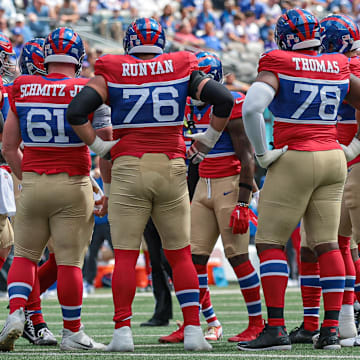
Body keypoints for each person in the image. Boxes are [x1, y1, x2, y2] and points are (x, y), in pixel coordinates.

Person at [66, 17, 234, 352]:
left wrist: (99, 147)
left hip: (128, 166)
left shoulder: (112, 68)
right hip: (171, 166)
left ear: (129, 43)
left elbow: (76, 113)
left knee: (127, 256)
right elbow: (224, 100)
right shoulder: (182, 65)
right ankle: (193, 333)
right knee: (181, 255)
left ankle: (123, 335)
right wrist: (208, 140)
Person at [239, 8, 360, 351]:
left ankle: (275, 329)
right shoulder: (337, 64)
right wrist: (354, 145)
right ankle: (332, 330)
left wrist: (262, 153)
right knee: (328, 244)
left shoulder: (279, 61)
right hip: (334, 158)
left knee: (270, 243)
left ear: (285, 38)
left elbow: (251, 109)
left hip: (296, 155)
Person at [0, 27, 111, 352]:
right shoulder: (87, 88)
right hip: (73, 182)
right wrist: (107, 188)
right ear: (77, 59)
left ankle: (17, 312)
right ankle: (73, 333)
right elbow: (106, 143)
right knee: (70, 262)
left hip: (33, 182)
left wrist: (30, 176)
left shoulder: (20, 87)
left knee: (24, 255)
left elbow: (9, 147)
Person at [160, 51, 263, 344]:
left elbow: (247, 155)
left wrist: (243, 200)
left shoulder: (230, 104)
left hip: (229, 184)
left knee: (238, 256)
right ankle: (204, 321)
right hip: (202, 186)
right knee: (189, 259)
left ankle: (256, 322)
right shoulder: (189, 109)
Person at [290, 14, 360, 347]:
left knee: (340, 245)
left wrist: (353, 147)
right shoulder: (338, 67)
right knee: (332, 244)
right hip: (337, 164)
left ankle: (347, 319)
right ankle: (335, 322)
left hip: (347, 163)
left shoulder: (347, 68)